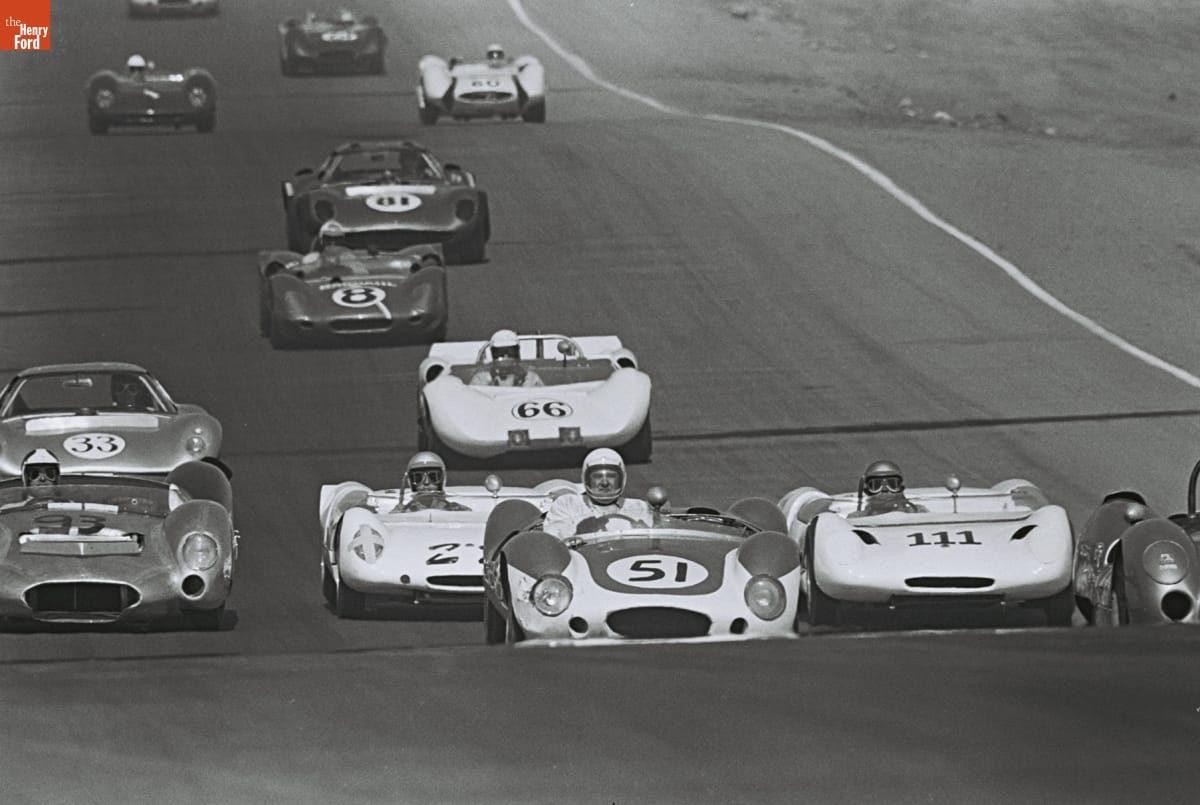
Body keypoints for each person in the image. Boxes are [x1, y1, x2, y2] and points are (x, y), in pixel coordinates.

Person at [543, 448, 651, 540]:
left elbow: (653, 542)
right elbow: (555, 542)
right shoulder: (567, 504)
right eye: (597, 477)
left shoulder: (639, 507)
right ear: (586, 479)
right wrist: (580, 531)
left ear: (622, 479)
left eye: (611, 476)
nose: (604, 483)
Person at [396, 451, 468, 512]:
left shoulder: (457, 509)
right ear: (410, 481)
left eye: (434, 476)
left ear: (442, 479)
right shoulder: (403, 512)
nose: (426, 482)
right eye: (418, 477)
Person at [468, 329, 543, 387]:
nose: (506, 356)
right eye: (500, 352)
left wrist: (523, 381)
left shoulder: (531, 377)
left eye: (511, 352)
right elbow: (475, 398)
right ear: (493, 353)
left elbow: (541, 397)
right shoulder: (481, 377)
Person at [851, 459, 927, 517]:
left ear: (900, 487)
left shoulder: (917, 512)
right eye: (876, 485)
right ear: (867, 489)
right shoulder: (858, 518)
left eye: (892, 484)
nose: (885, 490)